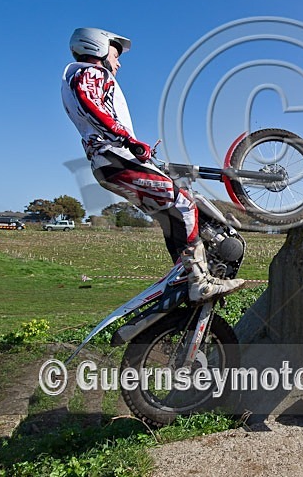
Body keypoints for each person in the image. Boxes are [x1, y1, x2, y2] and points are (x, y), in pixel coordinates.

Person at [61, 27, 244, 302]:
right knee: (184, 205)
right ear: (98, 47)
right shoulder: (91, 72)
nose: (118, 63)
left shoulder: (74, 77)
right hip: (116, 158)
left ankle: (184, 278)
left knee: (171, 218)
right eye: (116, 54)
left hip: (108, 164)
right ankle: (199, 281)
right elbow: (91, 104)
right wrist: (127, 139)